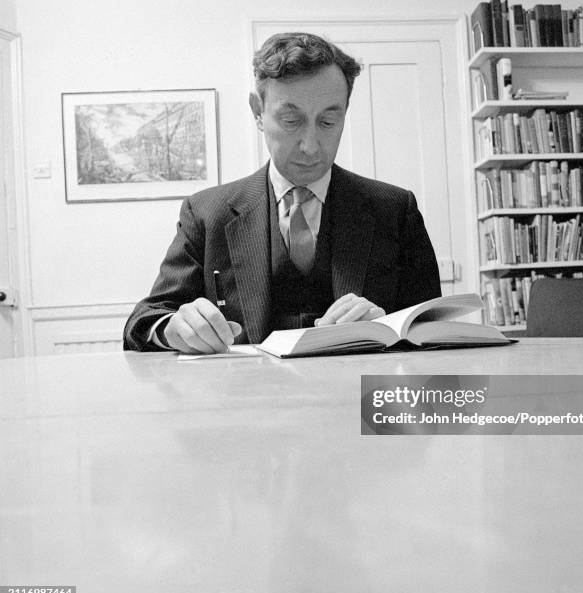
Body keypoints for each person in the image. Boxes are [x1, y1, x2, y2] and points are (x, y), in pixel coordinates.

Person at [123, 32, 441, 354]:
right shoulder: (206, 212)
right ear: (258, 111)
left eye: (329, 121)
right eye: (291, 120)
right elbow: (144, 321)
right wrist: (173, 328)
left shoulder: (396, 210)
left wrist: (387, 325)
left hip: (360, 398)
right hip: (250, 399)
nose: (311, 146)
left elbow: (433, 332)